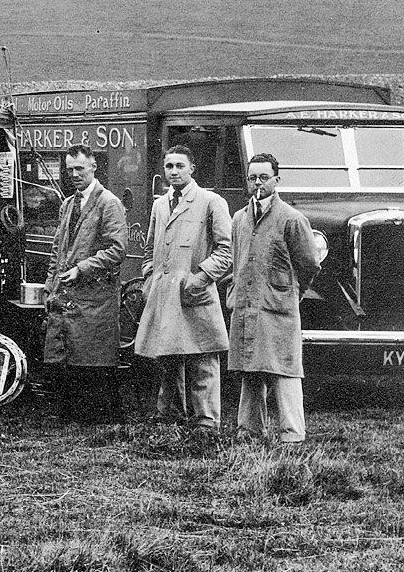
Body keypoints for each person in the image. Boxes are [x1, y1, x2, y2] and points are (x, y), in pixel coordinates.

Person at [133, 145, 232, 430]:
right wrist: (149, 277)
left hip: (195, 292)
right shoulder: (160, 204)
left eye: (179, 166)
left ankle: (206, 420)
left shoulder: (211, 201)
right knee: (167, 356)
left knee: (202, 357)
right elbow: (149, 248)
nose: (173, 171)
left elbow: (226, 250)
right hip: (164, 294)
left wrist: (200, 278)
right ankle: (170, 413)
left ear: (192, 169)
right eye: (168, 166)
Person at [228, 152, 321, 446]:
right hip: (245, 306)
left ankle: (292, 435)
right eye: (252, 177)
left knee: (284, 371)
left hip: (278, 309)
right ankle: (249, 431)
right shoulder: (239, 219)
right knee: (249, 370)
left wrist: (290, 292)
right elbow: (235, 261)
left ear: (277, 180)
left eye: (264, 177)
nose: (258, 183)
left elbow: (309, 265)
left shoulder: (292, 219)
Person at [43, 144, 127, 422]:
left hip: (95, 298)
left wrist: (83, 268)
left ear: (94, 167)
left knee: (91, 357)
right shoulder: (68, 205)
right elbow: (58, 250)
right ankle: (69, 415)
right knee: (67, 355)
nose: (75, 174)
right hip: (67, 296)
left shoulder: (109, 203)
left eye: (80, 168)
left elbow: (117, 249)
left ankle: (96, 419)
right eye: (70, 170)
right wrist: (49, 287)